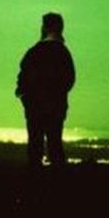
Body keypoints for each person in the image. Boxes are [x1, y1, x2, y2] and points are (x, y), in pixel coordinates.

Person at [15, 12, 75, 172]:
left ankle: (35, 184)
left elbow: (22, 79)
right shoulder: (63, 52)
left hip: (34, 106)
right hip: (56, 106)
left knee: (35, 144)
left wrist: (25, 96)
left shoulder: (34, 52)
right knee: (55, 143)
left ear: (44, 27)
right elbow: (69, 80)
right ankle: (57, 186)